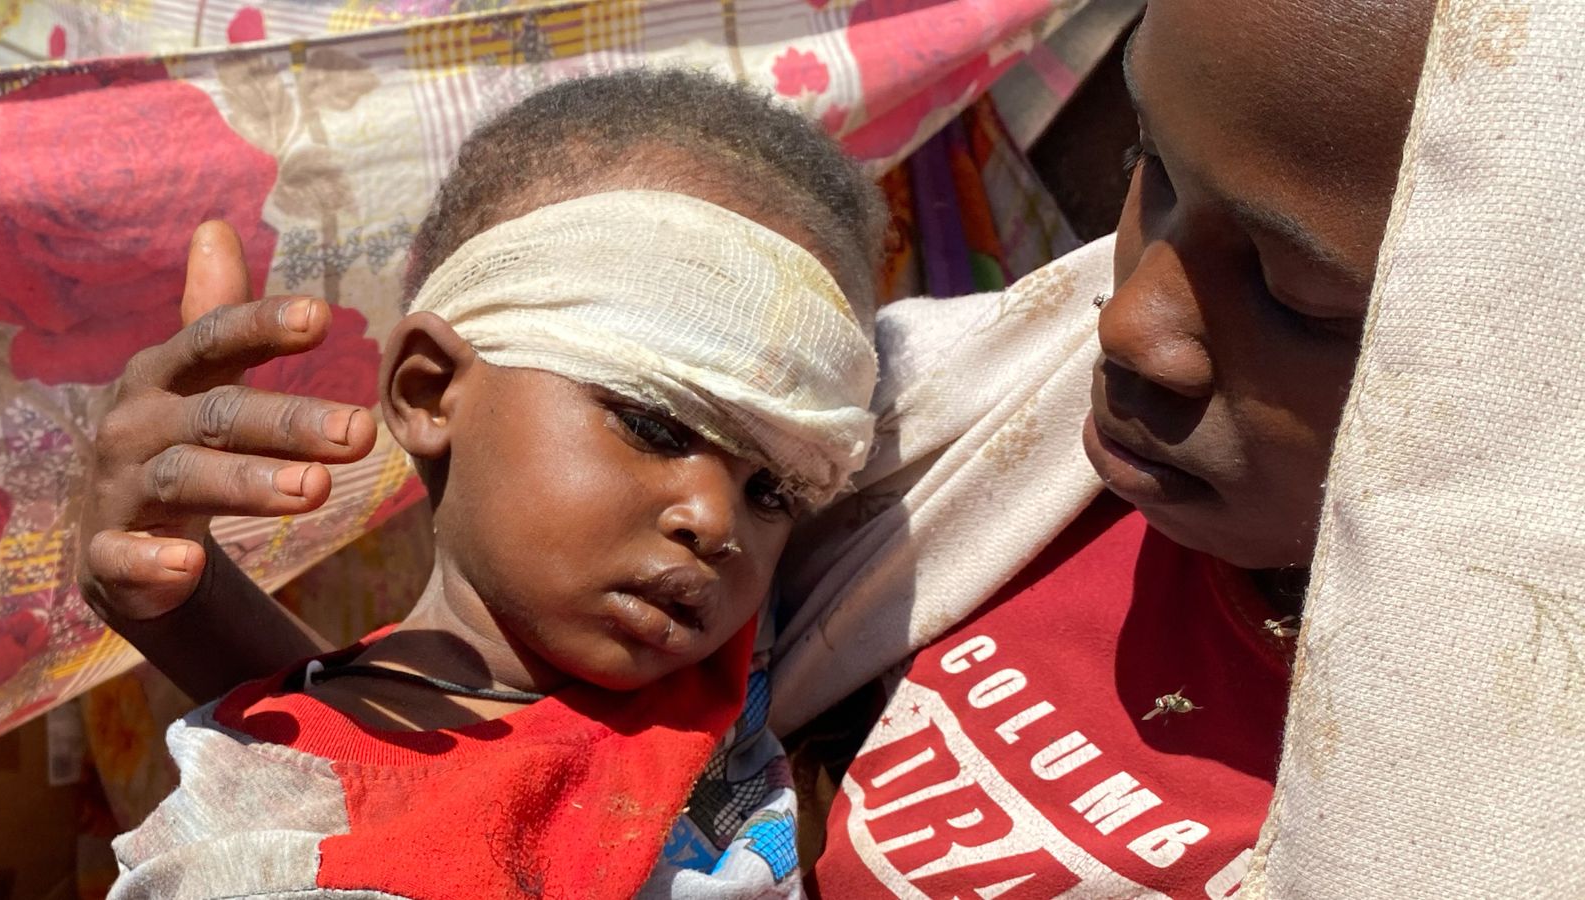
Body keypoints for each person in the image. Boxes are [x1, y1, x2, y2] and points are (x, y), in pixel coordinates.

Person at [78, 0, 1439, 896]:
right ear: (431, 386)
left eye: (1295, 290)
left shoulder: (1470, 792)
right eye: (1146, 175)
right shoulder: (956, 456)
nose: (1127, 321)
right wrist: (189, 609)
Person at [89, 69, 890, 899]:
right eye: (654, 426)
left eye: (775, 491)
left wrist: (187, 611)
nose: (714, 518)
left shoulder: (740, 648)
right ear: (430, 391)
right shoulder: (287, 839)